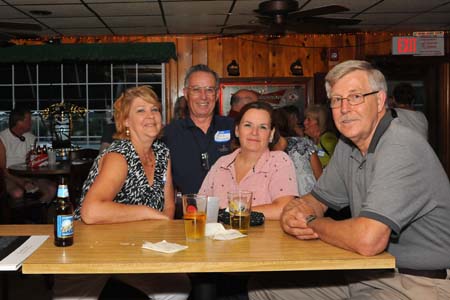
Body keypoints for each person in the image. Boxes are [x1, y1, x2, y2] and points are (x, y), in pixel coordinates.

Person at [249, 60, 450, 300]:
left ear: (379, 101)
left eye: (355, 97)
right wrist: (294, 212)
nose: (345, 108)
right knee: (263, 288)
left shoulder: (401, 146)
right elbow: (315, 199)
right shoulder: (348, 145)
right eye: (336, 100)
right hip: (365, 271)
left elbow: (368, 240)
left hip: (418, 282)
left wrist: (311, 222)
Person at [54, 86, 190, 300]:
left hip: (135, 244)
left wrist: (162, 231)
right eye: (140, 110)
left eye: (154, 109)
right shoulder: (119, 155)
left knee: (177, 288)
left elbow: (168, 203)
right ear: (125, 121)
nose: (151, 116)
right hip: (91, 247)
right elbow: (91, 212)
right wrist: (147, 212)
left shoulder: (163, 152)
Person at [199, 101, 298, 220]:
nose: (254, 133)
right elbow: (200, 206)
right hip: (220, 238)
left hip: (264, 238)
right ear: (236, 130)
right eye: (247, 125)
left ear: (271, 134)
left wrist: (231, 213)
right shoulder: (222, 163)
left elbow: (283, 208)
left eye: (262, 127)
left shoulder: (279, 161)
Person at [163, 64, 234, 195]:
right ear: (186, 94)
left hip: (228, 212)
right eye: (196, 89)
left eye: (209, 90)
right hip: (185, 213)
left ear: (217, 94)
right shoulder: (169, 133)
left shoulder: (233, 128)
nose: (203, 96)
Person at [0, 108, 56, 204]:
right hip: (9, 176)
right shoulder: (2, 138)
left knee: (52, 189)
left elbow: (36, 163)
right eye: (29, 120)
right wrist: (21, 182)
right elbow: (2, 169)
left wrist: (38, 159)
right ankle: (16, 217)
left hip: (30, 175)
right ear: (19, 122)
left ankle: (39, 212)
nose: (32, 122)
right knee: (17, 193)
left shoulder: (31, 138)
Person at [272, 108, 322, 196]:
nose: (303, 123)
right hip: (308, 194)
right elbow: (319, 177)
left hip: (282, 195)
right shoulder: (304, 143)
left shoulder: (268, 148)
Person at [303, 104, 338, 168]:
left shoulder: (328, 140)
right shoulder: (308, 139)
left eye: (309, 120)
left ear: (320, 122)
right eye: (305, 119)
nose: (305, 122)